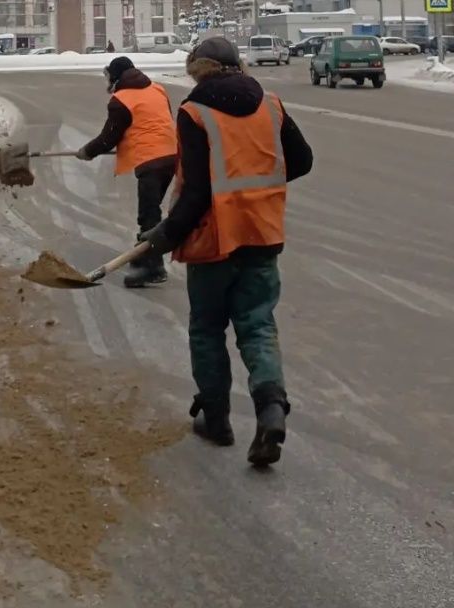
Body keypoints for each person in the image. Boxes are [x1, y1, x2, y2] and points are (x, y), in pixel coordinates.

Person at [138, 37, 313, 466]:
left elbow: (197, 192)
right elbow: (302, 160)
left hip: (215, 241)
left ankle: (215, 419)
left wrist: (164, 235)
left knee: (208, 328)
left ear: (199, 70)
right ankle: (271, 406)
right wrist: (260, 189)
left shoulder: (194, 112)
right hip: (263, 233)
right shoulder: (271, 104)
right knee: (257, 325)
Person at [77, 56, 177, 288]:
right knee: (151, 212)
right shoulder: (157, 89)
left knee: (149, 216)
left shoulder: (120, 100)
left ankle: (152, 267)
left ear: (116, 76)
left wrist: (86, 151)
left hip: (151, 160)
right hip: (171, 155)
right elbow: (158, 121)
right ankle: (143, 255)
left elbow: (109, 138)